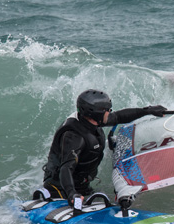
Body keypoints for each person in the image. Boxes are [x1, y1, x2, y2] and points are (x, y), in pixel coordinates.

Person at [37, 89, 166, 211]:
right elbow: (66, 168)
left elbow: (119, 117)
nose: (110, 112)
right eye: (107, 110)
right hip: (60, 188)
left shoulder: (90, 120)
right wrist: (71, 194)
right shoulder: (74, 136)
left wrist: (148, 111)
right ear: (95, 113)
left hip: (81, 186)